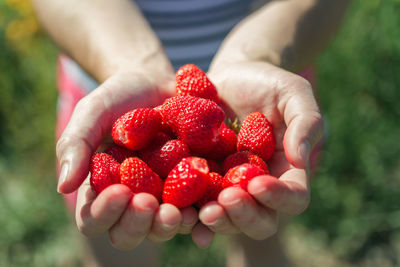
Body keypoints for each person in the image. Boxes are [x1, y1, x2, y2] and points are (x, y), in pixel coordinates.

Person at [32, 0, 350, 266]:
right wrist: (129, 64)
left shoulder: (255, 125)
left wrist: (259, 56)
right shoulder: (135, 129)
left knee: (263, 228)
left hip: (270, 92)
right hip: (105, 85)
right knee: (115, 248)